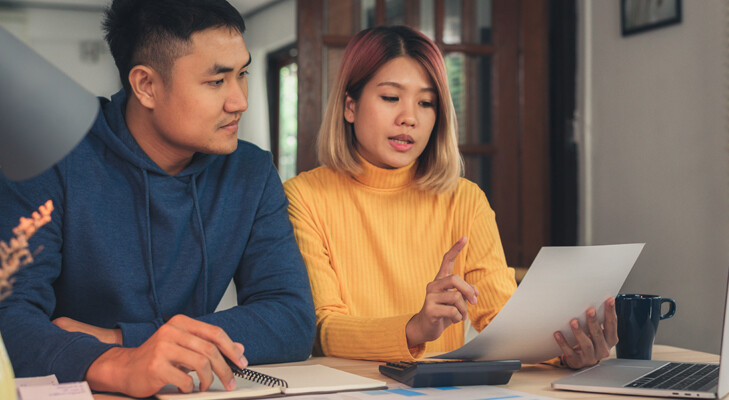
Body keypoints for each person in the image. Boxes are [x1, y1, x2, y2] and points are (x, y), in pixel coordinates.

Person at [0, 0, 315, 397]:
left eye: (243, 74)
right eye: (216, 81)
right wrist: (117, 365)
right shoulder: (48, 154)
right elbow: (9, 317)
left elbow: (291, 317)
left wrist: (120, 340)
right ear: (146, 85)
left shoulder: (249, 170)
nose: (239, 101)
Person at [283, 25, 617, 369]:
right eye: (390, 97)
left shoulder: (465, 200)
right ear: (349, 106)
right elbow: (323, 329)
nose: (409, 118)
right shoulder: (305, 197)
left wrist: (567, 351)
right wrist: (415, 328)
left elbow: (505, 324)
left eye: (426, 102)